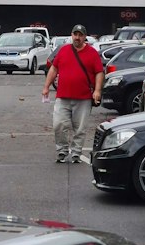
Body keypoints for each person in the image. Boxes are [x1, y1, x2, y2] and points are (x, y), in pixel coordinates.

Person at [41, 24, 105, 164]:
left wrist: (97, 90)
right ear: (72, 35)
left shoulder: (92, 53)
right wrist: (46, 87)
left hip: (83, 98)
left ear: (84, 37)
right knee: (58, 125)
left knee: (80, 128)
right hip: (63, 97)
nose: (77, 37)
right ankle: (62, 151)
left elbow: (99, 72)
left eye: (80, 35)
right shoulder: (64, 51)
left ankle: (76, 152)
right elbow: (53, 69)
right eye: (75, 34)